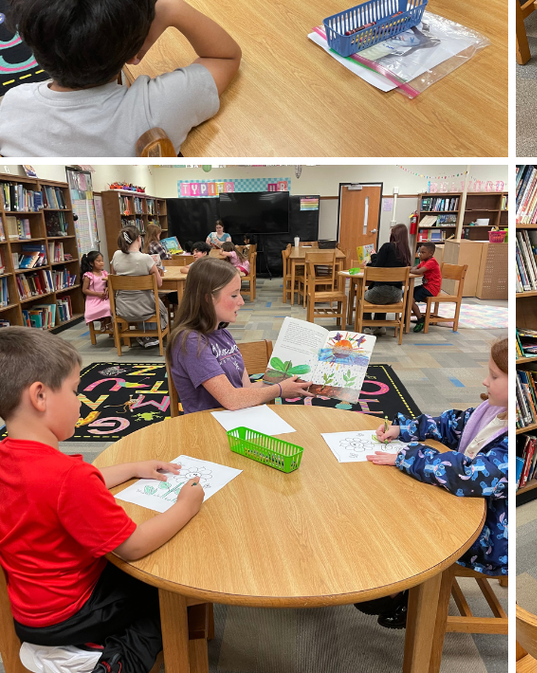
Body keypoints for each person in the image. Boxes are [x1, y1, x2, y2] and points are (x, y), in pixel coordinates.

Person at [0, 326, 204, 673]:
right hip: (73, 614)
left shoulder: (12, 457)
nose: (81, 401)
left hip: (31, 609)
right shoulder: (67, 479)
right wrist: (186, 505)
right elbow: (133, 546)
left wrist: (133, 467)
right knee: (162, 589)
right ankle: (115, 664)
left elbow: (61, 489)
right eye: (75, 390)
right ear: (40, 396)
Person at [0, 0, 241, 155]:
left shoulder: (13, 104)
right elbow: (225, 56)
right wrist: (171, 8)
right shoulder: (155, 108)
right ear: (135, 52)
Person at [359, 336, 508, 629]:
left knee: (412, 518)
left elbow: (469, 475)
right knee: (401, 496)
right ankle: (403, 584)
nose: (484, 381)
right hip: (472, 507)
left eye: (493, 376)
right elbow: (449, 424)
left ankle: (409, 591)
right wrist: (405, 429)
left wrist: (409, 455)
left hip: (490, 534)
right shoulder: (492, 410)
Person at [167, 258, 311, 413]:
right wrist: (279, 390)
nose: (241, 301)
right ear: (208, 298)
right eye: (234, 295)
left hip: (234, 420)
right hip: (208, 426)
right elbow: (231, 399)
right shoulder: (190, 341)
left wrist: (292, 382)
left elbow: (245, 388)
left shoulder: (223, 335)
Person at [111, 225, 167, 349]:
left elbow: (113, 276)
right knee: (159, 303)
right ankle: (152, 336)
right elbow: (159, 284)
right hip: (145, 308)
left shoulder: (116, 255)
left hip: (122, 308)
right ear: (138, 239)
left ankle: (143, 336)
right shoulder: (145, 258)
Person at [364, 223, 413, 321]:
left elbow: (377, 267)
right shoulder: (406, 252)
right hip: (397, 295)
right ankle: (380, 327)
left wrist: (373, 256)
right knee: (383, 298)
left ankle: (367, 327)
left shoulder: (387, 247)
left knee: (363, 298)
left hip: (379, 292)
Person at [409, 241, 442, 332]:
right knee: (408, 293)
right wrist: (412, 269)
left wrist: (411, 270)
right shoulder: (424, 261)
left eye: (423, 253)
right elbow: (415, 268)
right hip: (426, 286)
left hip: (431, 288)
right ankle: (407, 316)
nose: (420, 254)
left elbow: (419, 271)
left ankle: (420, 319)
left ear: (431, 253)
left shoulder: (432, 262)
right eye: (420, 252)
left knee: (410, 298)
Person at [81, 251, 111, 333]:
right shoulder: (88, 275)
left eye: (102, 260)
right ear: (91, 263)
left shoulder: (105, 273)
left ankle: (107, 321)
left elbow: (108, 284)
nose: (101, 263)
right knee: (100, 309)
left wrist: (107, 288)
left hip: (104, 298)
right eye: (98, 261)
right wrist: (97, 294)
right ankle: (104, 321)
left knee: (109, 306)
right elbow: (84, 290)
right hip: (93, 300)